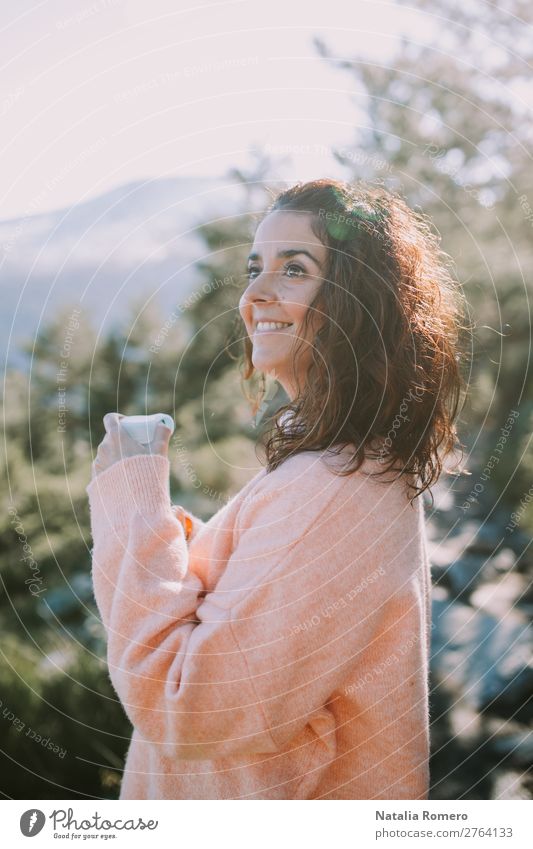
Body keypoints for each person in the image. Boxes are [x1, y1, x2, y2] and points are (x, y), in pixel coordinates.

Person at [86, 178, 465, 799]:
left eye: (295, 269)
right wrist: (177, 540)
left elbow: (194, 711)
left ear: (357, 301)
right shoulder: (338, 470)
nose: (255, 294)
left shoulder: (335, 491)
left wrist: (136, 511)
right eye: (254, 267)